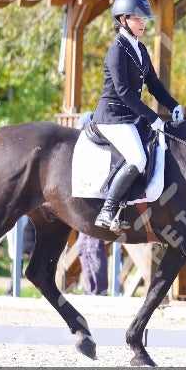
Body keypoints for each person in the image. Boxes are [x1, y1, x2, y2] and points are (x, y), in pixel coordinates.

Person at [89, 0, 183, 232]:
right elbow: (122, 91)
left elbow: (154, 84)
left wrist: (174, 106)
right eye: (138, 19)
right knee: (138, 158)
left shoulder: (139, 48)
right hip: (112, 116)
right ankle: (107, 211)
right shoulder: (117, 50)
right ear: (122, 20)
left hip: (129, 116)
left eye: (144, 19)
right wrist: (153, 118)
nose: (143, 23)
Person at [75, 112, 109, 295]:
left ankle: (99, 291)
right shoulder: (84, 147)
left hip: (98, 199)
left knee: (94, 246)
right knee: (83, 247)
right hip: (86, 198)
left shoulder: (101, 146)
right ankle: (91, 289)